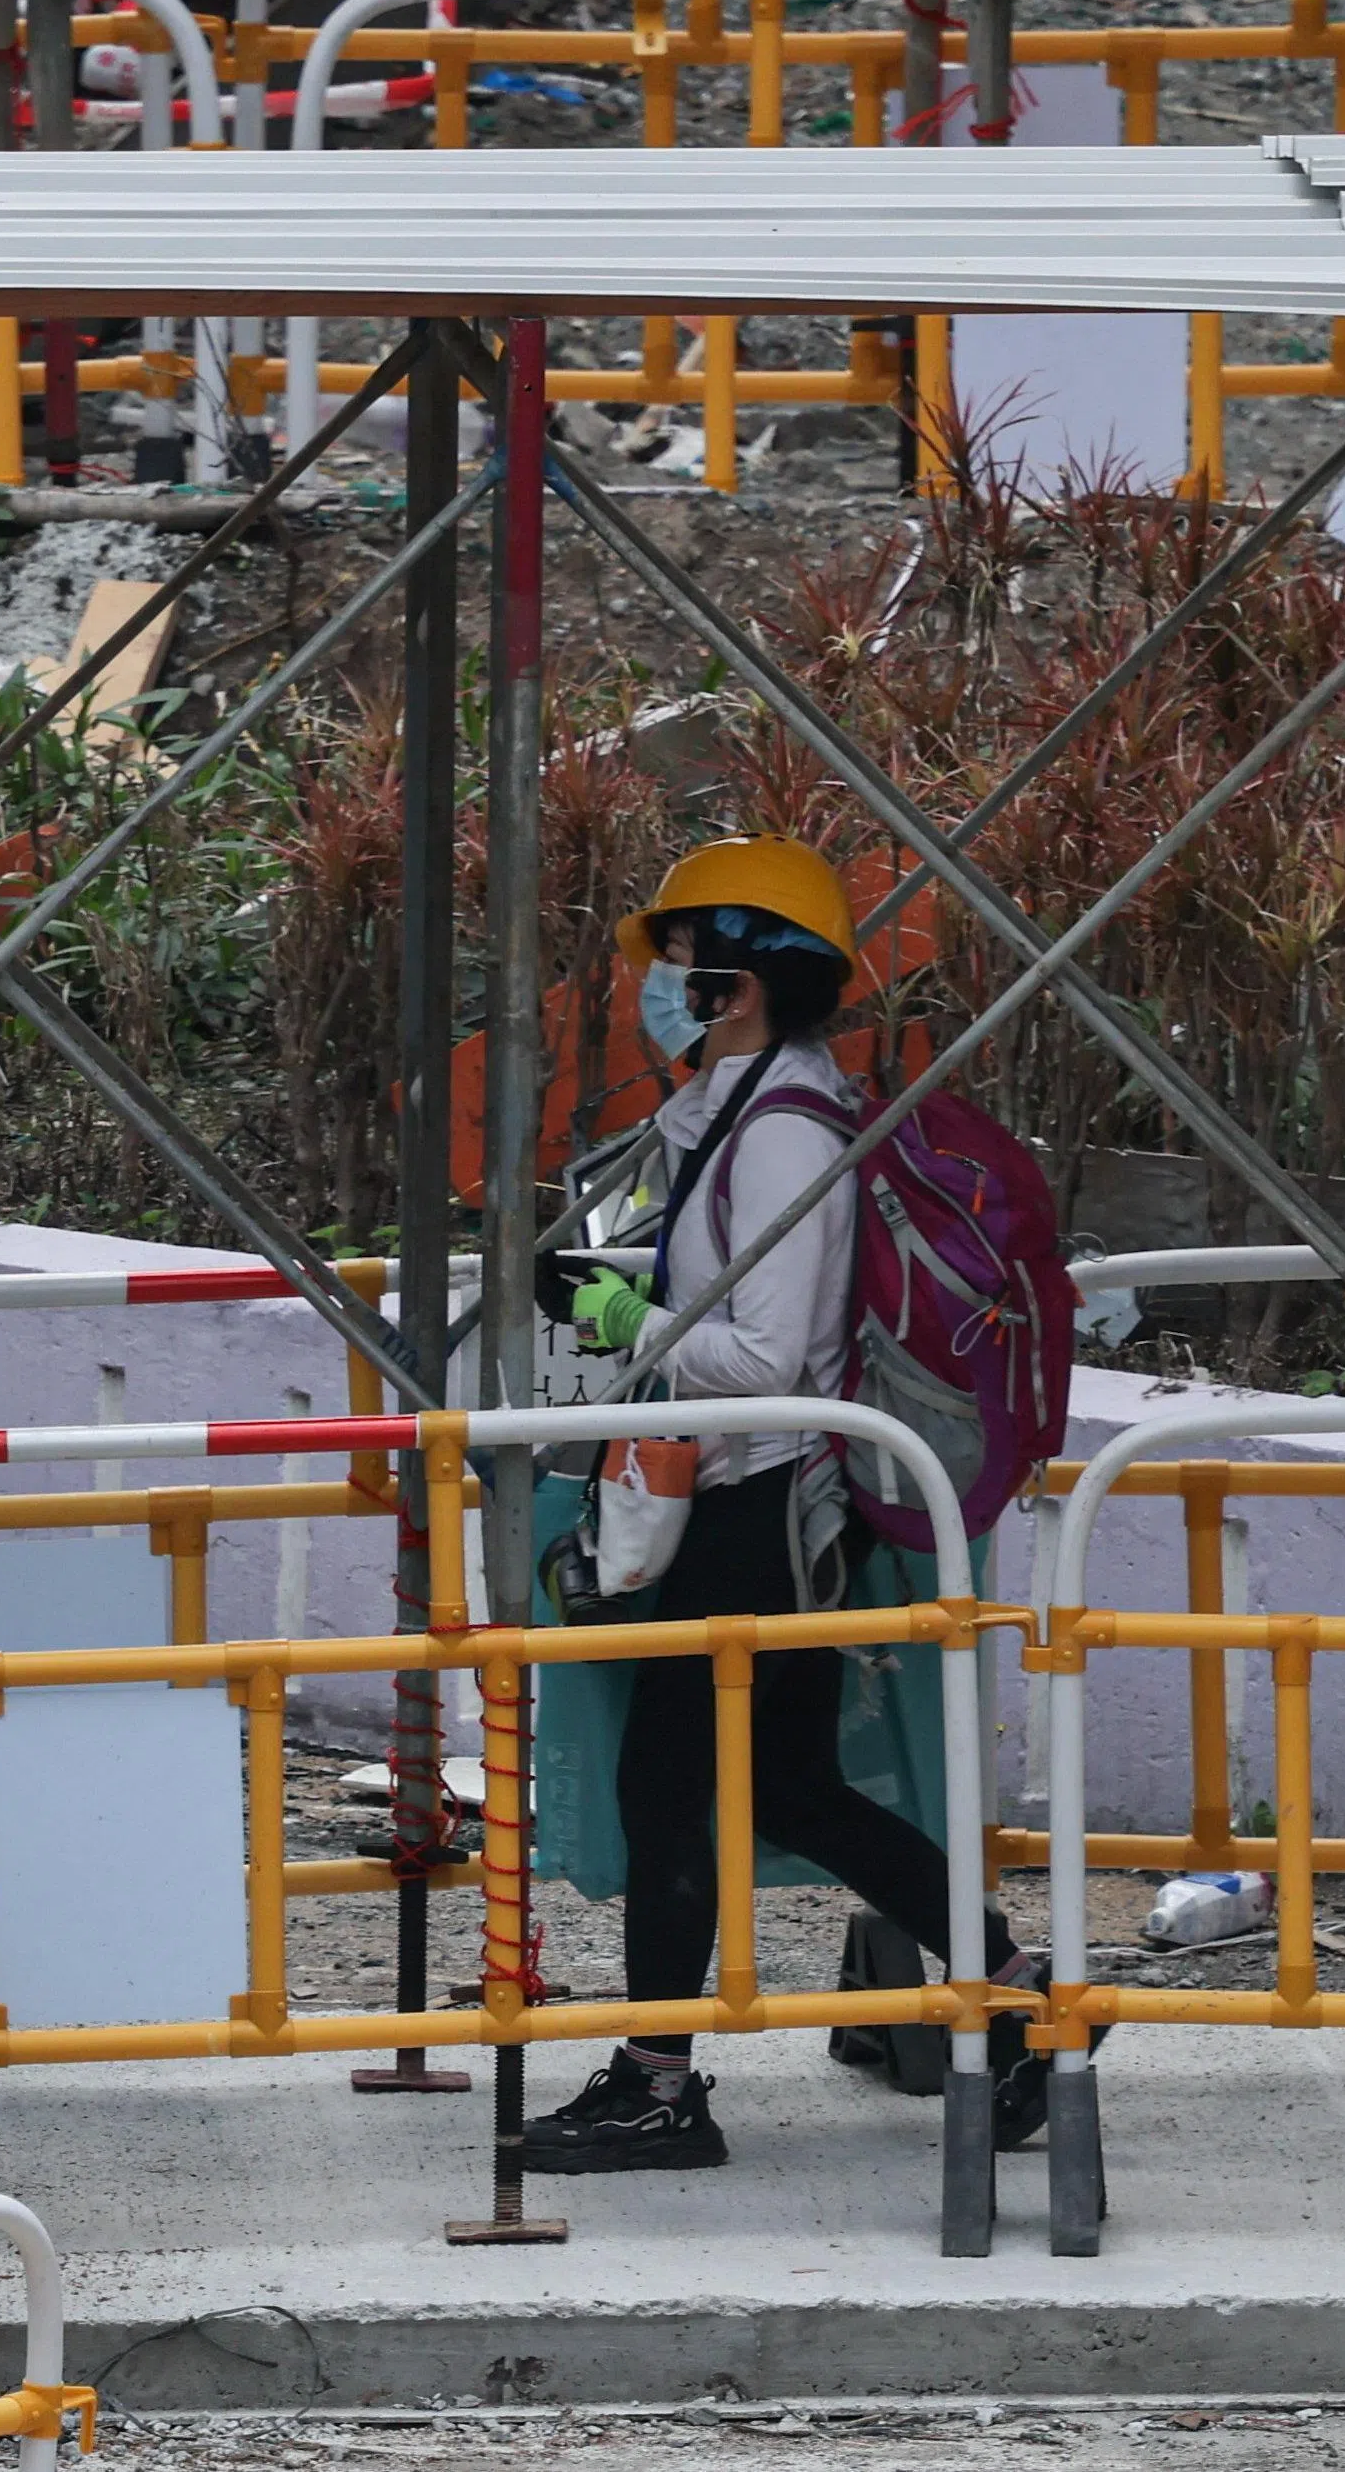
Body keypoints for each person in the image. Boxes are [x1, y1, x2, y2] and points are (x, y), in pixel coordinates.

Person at [518, 834, 1042, 2172]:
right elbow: (737, 1292)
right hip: (755, 1505)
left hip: (759, 1509)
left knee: (669, 1788)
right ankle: (1022, 2003)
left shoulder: (788, 1126)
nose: (661, 977)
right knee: (793, 1789)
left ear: (736, 978)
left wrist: (625, 1306)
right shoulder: (748, 1111)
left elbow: (764, 1354)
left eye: (681, 955)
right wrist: (618, 1271)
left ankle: (656, 2086)